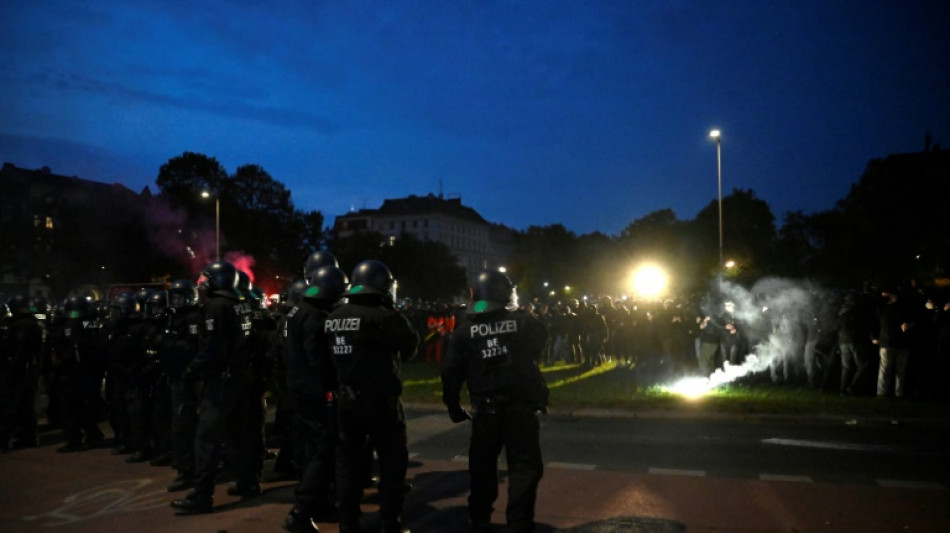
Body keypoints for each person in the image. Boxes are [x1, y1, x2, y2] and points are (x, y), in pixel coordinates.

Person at [442, 270, 549, 533]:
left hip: (485, 412)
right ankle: (519, 524)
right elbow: (538, 347)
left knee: (482, 468)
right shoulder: (525, 322)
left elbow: (451, 373)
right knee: (524, 469)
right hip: (520, 410)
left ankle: (480, 520)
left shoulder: (464, 331)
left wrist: (454, 407)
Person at [326, 259, 418, 533]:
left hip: (346, 401)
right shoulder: (385, 317)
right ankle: (390, 521)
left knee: (349, 463)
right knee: (392, 461)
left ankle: (348, 522)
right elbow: (410, 348)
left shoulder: (333, 317)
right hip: (380, 402)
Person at [171, 260, 255, 515]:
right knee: (242, 434)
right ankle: (248, 482)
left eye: (204, 279)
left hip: (222, 381)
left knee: (206, 438)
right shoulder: (240, 303)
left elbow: (212, 349)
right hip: (242, 377)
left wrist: (191, 371)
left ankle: (201, 495)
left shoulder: (216, 306)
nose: (200, 284)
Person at [283, 264, 348, 532]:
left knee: (311, 448)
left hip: (297, 388)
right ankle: (301, 511)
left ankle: (319, 504)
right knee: (323, 450)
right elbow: (319, 359)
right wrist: (333, 383)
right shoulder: (317, 318)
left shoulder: (296, 311)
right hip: (316, 392)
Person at [162, 279, 204, 492]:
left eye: (180, 296)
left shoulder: (195, 317)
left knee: (186, 425)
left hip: (191, 379)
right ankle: (185, 466)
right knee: (180, 424)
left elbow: (196, 349)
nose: (176, 301)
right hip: (177, 377)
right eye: (174, 296)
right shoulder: (173, 317)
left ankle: (189, 471)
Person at [0, 294, 45, 451]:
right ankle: (27, 437)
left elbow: (19, 351)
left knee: (9, 405)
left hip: (19, 371)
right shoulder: (32, 323)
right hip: (28, 371)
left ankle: (4, 439)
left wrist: (12, 369)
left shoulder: (21, 326)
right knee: (25, 405)